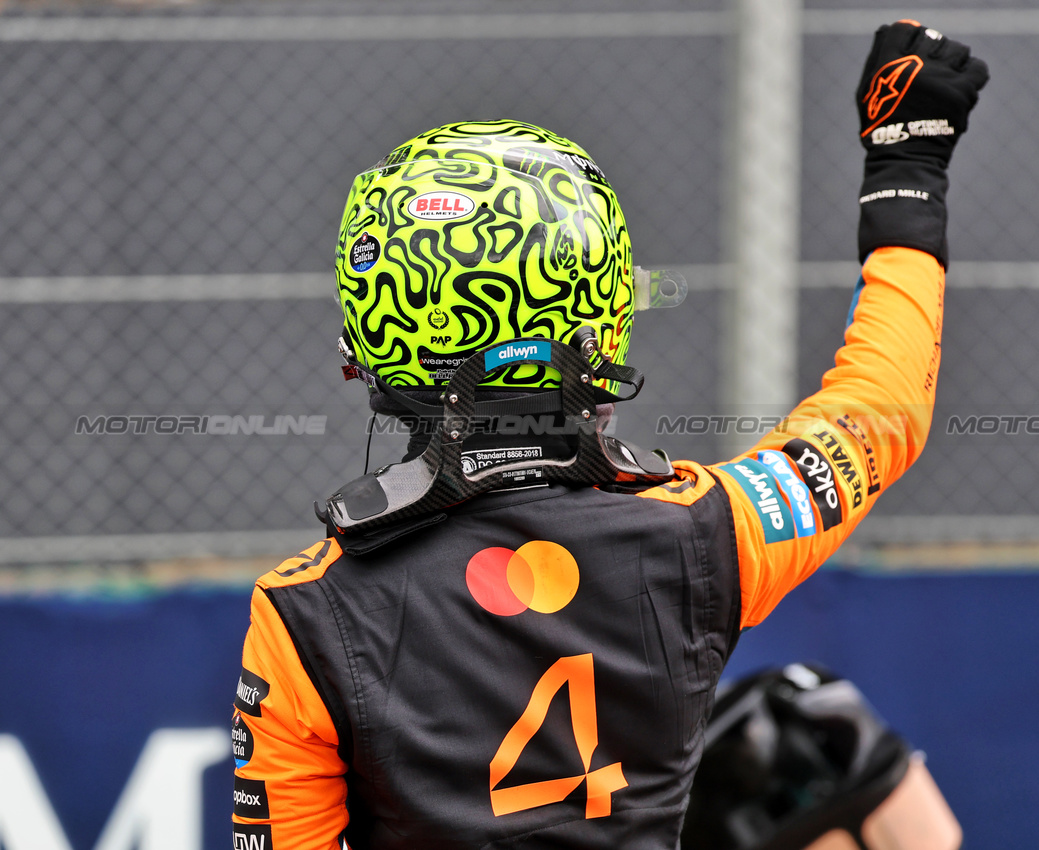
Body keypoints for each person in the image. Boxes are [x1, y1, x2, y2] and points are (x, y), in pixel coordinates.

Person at [230, 20, 987, 850]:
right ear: (605, 310)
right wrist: (906, 170)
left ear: (374, 333)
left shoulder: (306, 610)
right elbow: (880, 414)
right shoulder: (706, 534)